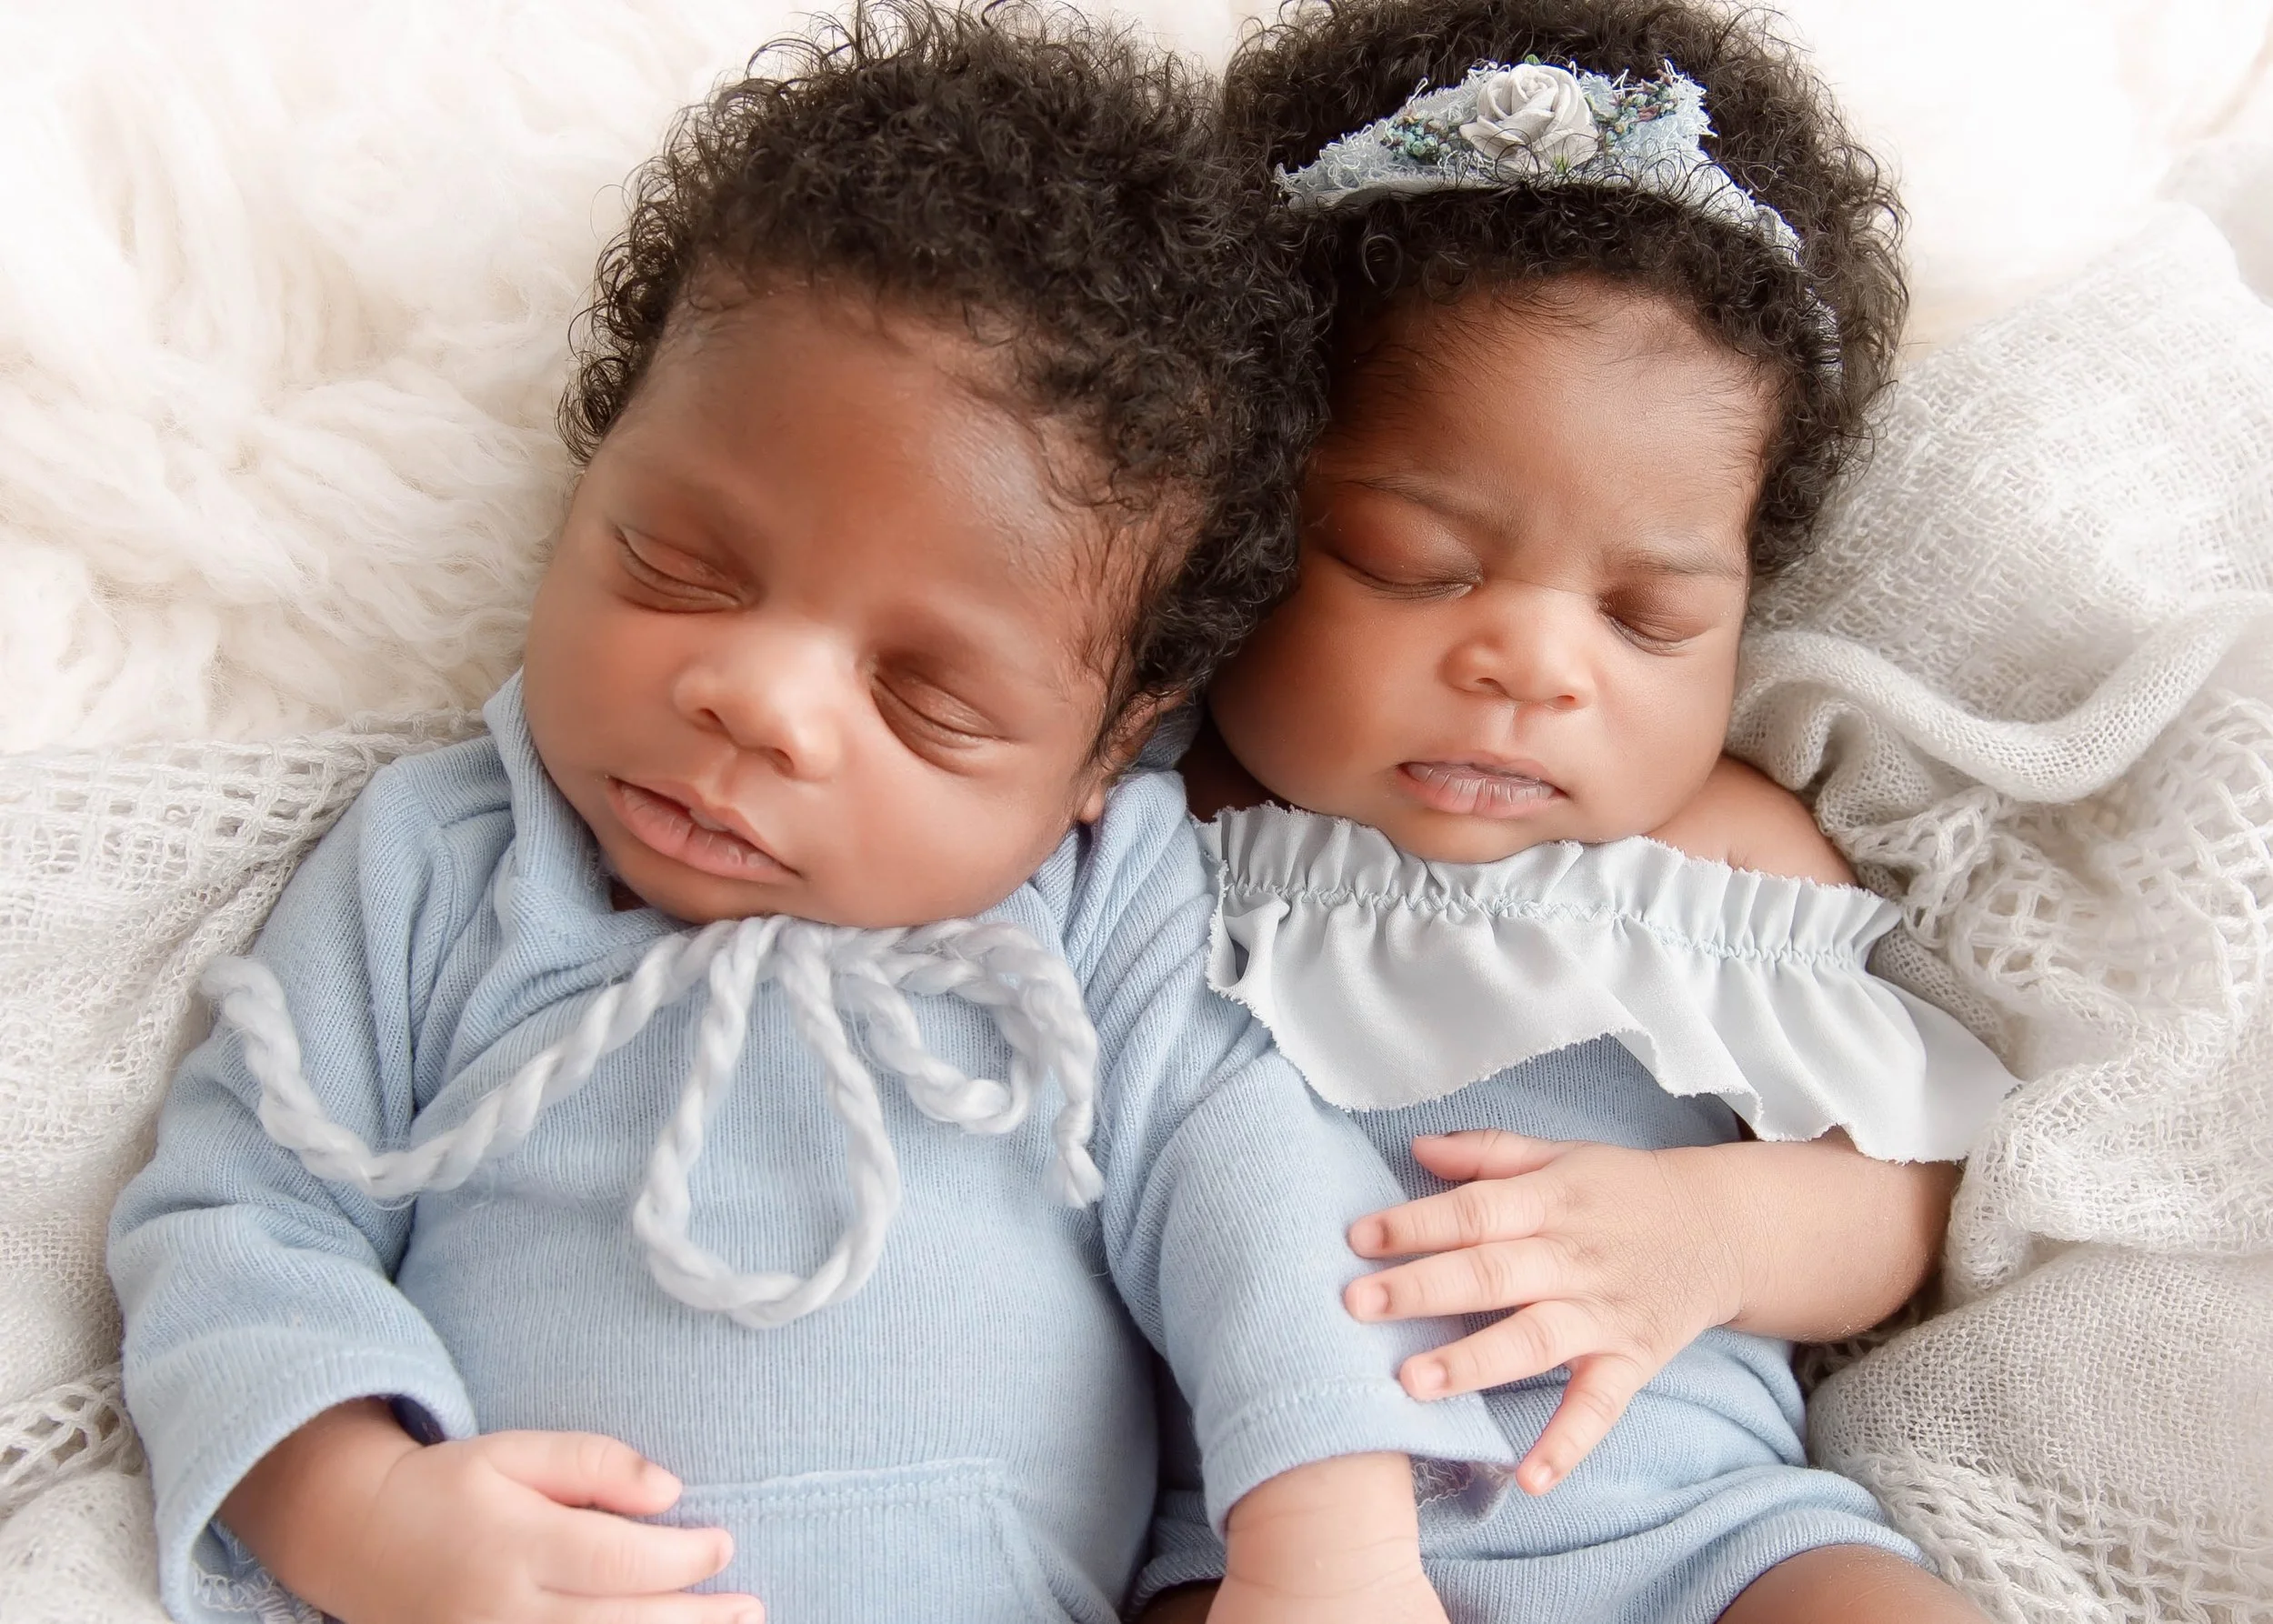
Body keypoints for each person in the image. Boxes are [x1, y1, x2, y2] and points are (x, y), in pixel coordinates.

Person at [105, 8, 1523, 1622]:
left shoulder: (1096, 909)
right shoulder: (444, 860)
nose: (757, 701)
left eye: (929, 698)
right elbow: (236, 1221)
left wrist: (1330, 1538)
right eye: (677, 567)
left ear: (1099, 755)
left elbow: (1258, 1184)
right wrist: (364, 1507)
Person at [1137, 2, 2016, 1620]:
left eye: (1648, 616)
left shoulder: (1718, 857)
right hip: (1266, 1548)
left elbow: (1902, 1188)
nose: (1532, 666)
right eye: (1415, 566)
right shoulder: (1141, 835)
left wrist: (1712, 1229)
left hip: (1709, 1530)